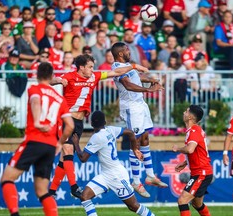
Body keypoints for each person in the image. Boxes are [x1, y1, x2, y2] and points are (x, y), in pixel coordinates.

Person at [49, 54, 149, 199]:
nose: (92, 69)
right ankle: (74, 187)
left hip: (79, 122)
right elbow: (52, 80)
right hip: (66, 118)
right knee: (69, 149)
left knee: (65, 158)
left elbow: (115, 72)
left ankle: (51, 191)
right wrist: (58, 80)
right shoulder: (70, 76)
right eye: (89, 67)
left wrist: (134, 66)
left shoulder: (94, 76)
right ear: (81, 67)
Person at [0, 62, 74, 216]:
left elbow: (35, 102)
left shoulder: (35, 89)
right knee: (42, 191)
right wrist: (60, 143)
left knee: (7, 179)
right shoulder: (60, 99)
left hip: (34, 141)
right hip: (50, 147)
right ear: (52, 76)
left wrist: (36, 122)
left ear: (37, 75)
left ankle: (14, 214)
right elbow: (70, 125)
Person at [111, 42, 168, 198]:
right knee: (135, 141)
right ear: (121, 53)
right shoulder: (117, 67)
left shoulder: (127, 65)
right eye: (127, 50)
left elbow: (136, 78)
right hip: (131, 106)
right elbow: (128, 85)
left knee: (144, 138)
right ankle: (136, 181)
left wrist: (150, 80)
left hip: (140, 104)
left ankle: (149, 175)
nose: (130, 52)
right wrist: (149, 89)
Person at [73, 110, 155, 216]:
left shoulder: (96, 137)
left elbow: (83, 158)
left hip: (117, 176)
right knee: (85, 196)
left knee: (133, 206)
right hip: (106, 175)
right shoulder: (110, 130)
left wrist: (76, 144)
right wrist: (135, 149)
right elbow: (130, 133)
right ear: (105, 122)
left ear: (92, 123)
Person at [172, 105, 213, 216]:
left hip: (201, 173)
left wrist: (178, 149)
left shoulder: (194, 130)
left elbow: (190, 149)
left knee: (182, 200)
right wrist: (185, 163)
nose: (184, 113)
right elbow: (198, 152)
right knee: (197, 204)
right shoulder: (194, 130)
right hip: (200, 172)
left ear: (190, 116)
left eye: (186, 111)